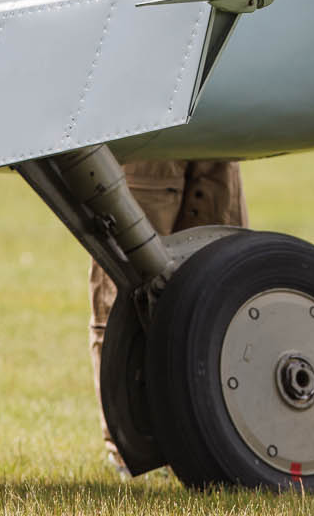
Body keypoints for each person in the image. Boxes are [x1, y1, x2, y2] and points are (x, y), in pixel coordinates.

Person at [87, 159, 246, 473]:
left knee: (227, 288)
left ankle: (221, 439)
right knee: (125, 299)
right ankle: (131, 451)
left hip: (218, 139)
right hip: (147, 139)